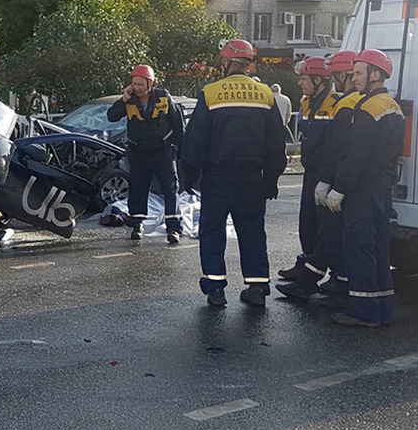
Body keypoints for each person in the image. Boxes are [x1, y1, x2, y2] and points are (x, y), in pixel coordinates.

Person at [180, 39, 288, 307]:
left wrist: (188, 174)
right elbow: (277, 143)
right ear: (249, 63)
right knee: (252, 232)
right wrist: (272, 179)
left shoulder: (211, 92)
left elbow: (195, 140)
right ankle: (258, 287)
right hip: (253, 178)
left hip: (218, 177)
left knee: (213, 232)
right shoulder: (265, 95)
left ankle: (216, 289)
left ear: (226, 62)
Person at [322, 50, 405, 328]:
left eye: (358, 73)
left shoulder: (367, 108)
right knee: (379, 248)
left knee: (358, 247)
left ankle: (363, 311)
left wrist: (340, 188)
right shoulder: (392, 106)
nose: (353, 78)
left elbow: (356, 154)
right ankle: (381, 307)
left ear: (375, 75)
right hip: (382, 188)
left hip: (363, 190)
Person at [306, 50, 365, 309]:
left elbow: (337, 148)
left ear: (344, 75)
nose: (333, 81)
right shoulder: (358, 101)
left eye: (335, 76)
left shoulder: (347, 104)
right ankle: (335, 278)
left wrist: (330, 181)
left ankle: (341, 284)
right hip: (350, 180)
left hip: (342, 180)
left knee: (336, 232)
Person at [276, 57, 337, 298]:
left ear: (319, 80)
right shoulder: (307, 102)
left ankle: (317, 276)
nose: (300, 83)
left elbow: (334, 145)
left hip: (325, 174)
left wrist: (328, 178)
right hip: (311, 172)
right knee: (307, 224)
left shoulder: (334, 104)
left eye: (304, 79)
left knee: (324, 227)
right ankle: (306, 264)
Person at [106, 64, 185, 243]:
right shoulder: (129, 100)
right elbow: (111, 116)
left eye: (141, 84)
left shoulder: (164, 97)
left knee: (170, 190)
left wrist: (179, 151)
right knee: (138, 190)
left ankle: (173, 229)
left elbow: (178, 125)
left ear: (151, 83)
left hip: (164, 153)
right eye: (134, 84)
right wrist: (123, 100)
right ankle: (137, 225)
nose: (137, 88)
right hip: (139, 154)